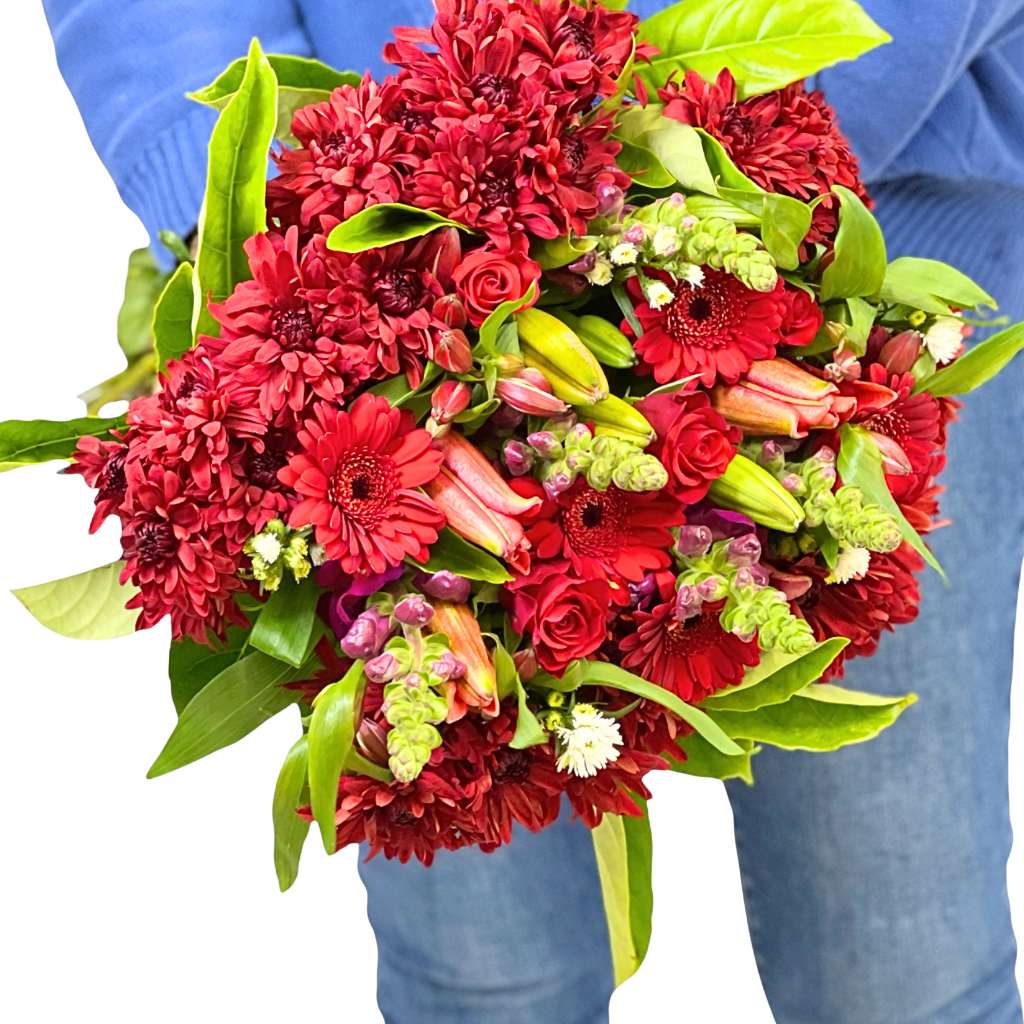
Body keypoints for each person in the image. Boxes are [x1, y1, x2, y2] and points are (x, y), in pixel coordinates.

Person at [41, 0, 1024, 1020]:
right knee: (484, 985)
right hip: (363, 278)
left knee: (907, 975)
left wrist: (739, 162)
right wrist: (234, 184)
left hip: (870, 269)